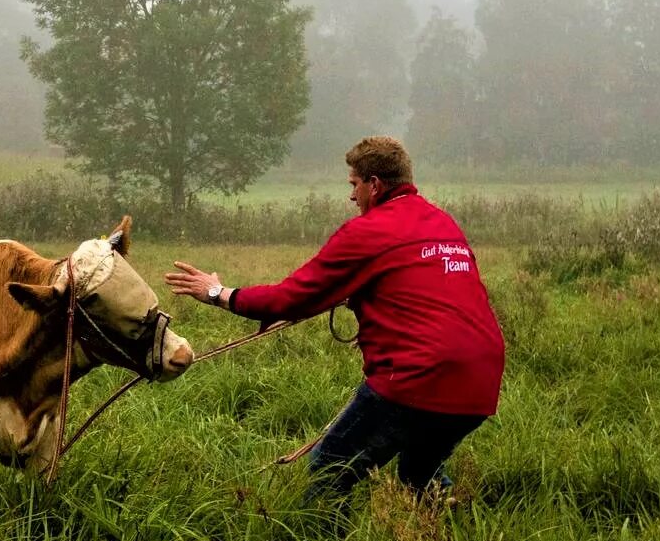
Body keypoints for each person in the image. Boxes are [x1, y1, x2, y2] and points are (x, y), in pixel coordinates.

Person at [165, 135, 504, 502]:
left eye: (354, 184)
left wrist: (218, 293)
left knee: (329, 470)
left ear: (374, 185)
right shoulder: (442, 222)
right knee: (420, 475)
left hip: (414, 377)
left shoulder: (368, 231)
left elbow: (289, 297)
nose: (351, 196)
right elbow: (421, 288)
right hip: (480, 379)